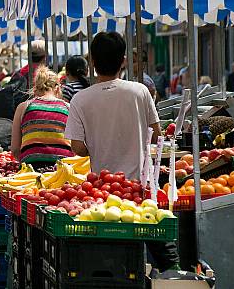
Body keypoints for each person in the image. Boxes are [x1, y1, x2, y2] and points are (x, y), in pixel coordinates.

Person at [64, 31, 177, 270]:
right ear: (123, 60)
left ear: (92, 62)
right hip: (139, 188)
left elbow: (78, 148)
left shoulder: (80, 100)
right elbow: (157, 135)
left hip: (101, 192)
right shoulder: (139, 92)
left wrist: (96, 142)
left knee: (110, 259)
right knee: (158, 251)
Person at [11, 67, 74, 164]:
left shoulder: (23, 107)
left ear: (35, 89)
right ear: (57, 89)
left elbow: (15, 149)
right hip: (64, 166)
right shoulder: (68, 108)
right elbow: (76, 146)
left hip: (32, 168)